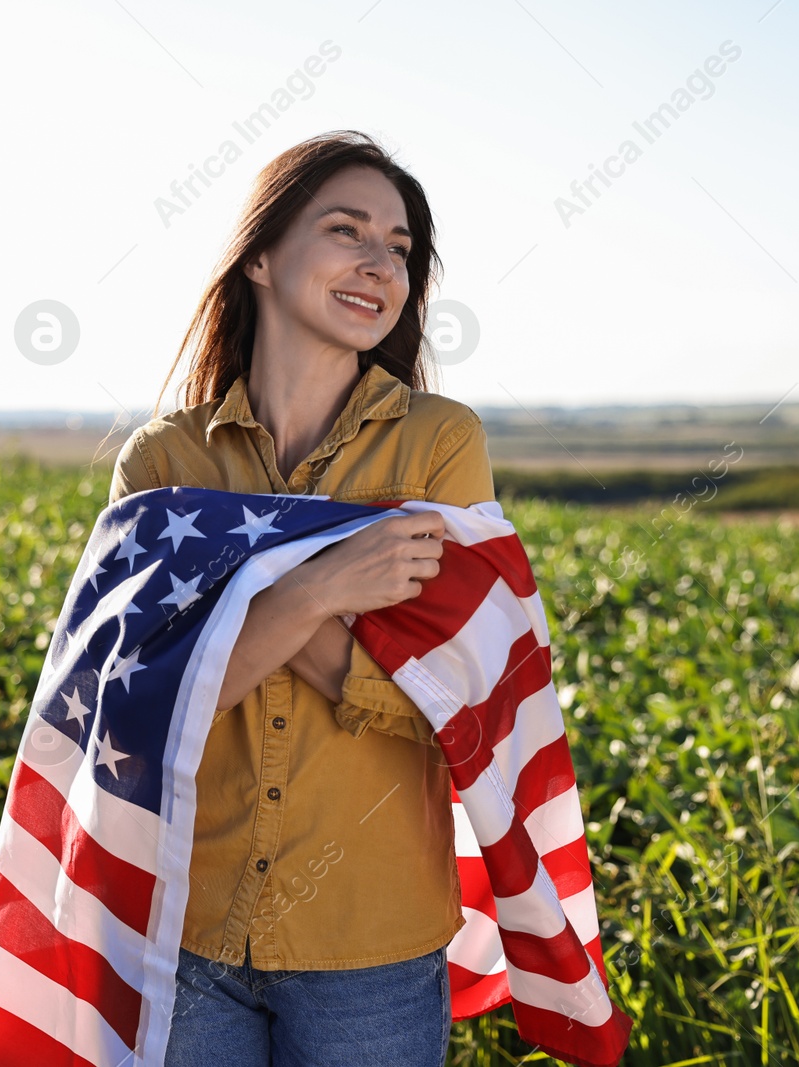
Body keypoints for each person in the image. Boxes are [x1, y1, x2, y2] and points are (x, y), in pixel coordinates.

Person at [106, 129, 497, 1067]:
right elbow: (142, 706)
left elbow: (440, 701)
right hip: (189, 924)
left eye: (400, 248)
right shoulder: (165, 462)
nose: (380, 265)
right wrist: (328, 586)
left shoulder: (438, 446)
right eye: (347, 230)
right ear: (262, 258)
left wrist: (231, 621)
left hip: (371, 939)